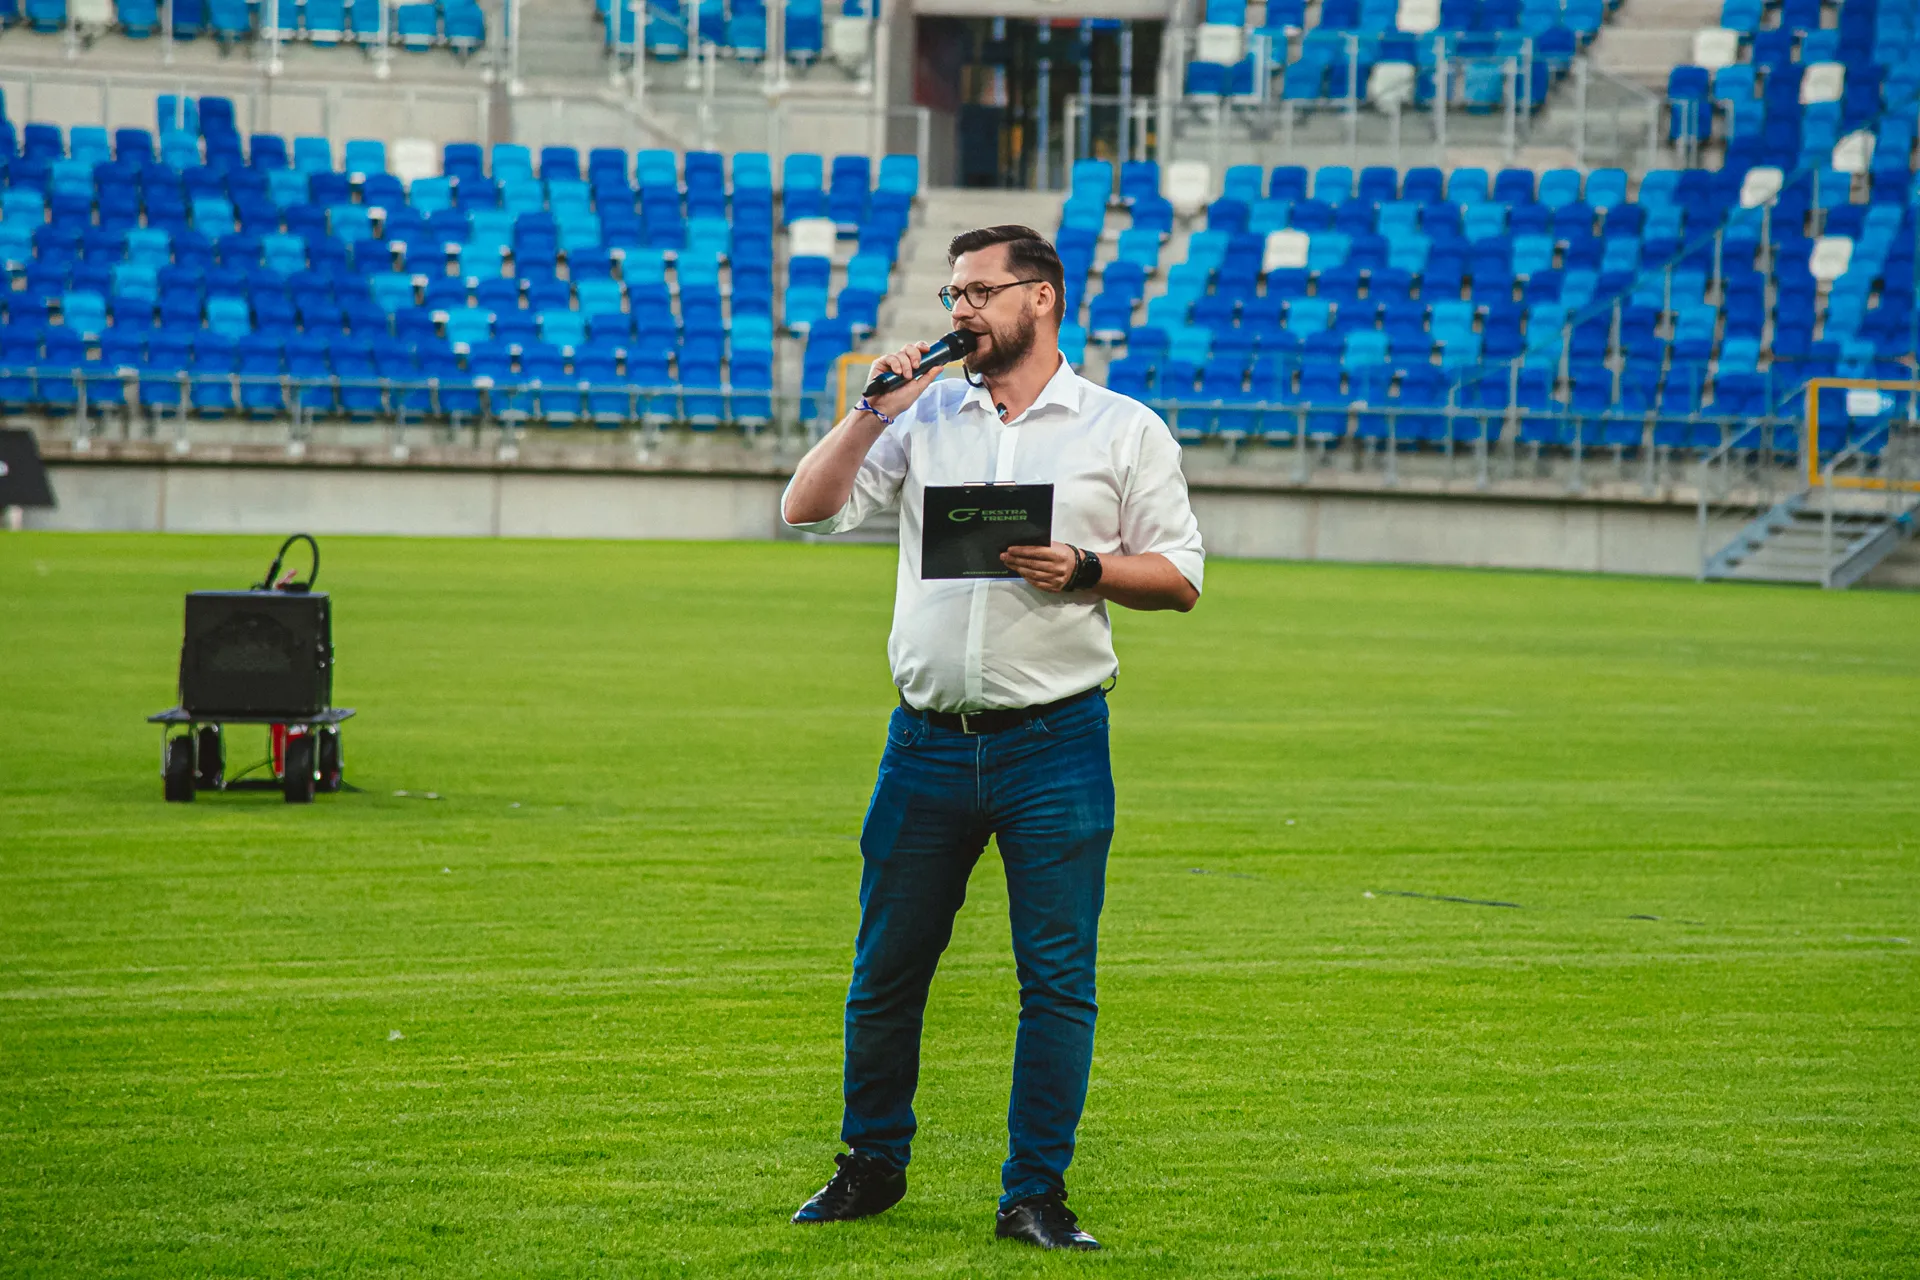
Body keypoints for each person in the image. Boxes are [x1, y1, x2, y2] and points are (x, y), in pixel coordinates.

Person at [780, 225, 1205, 1252]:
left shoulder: (1123, 428)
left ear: (1042, 298)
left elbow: (1181, 576)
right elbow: (806, 510)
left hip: (1054, 743)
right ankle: (870, 1163)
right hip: (924, 743)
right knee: (887, 967)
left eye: (978, 291)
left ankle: (1034, 1194)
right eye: (953, 294)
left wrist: (1086, 568)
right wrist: (869, 411)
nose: (959, 310)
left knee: (1055, 978)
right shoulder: (923, 416)